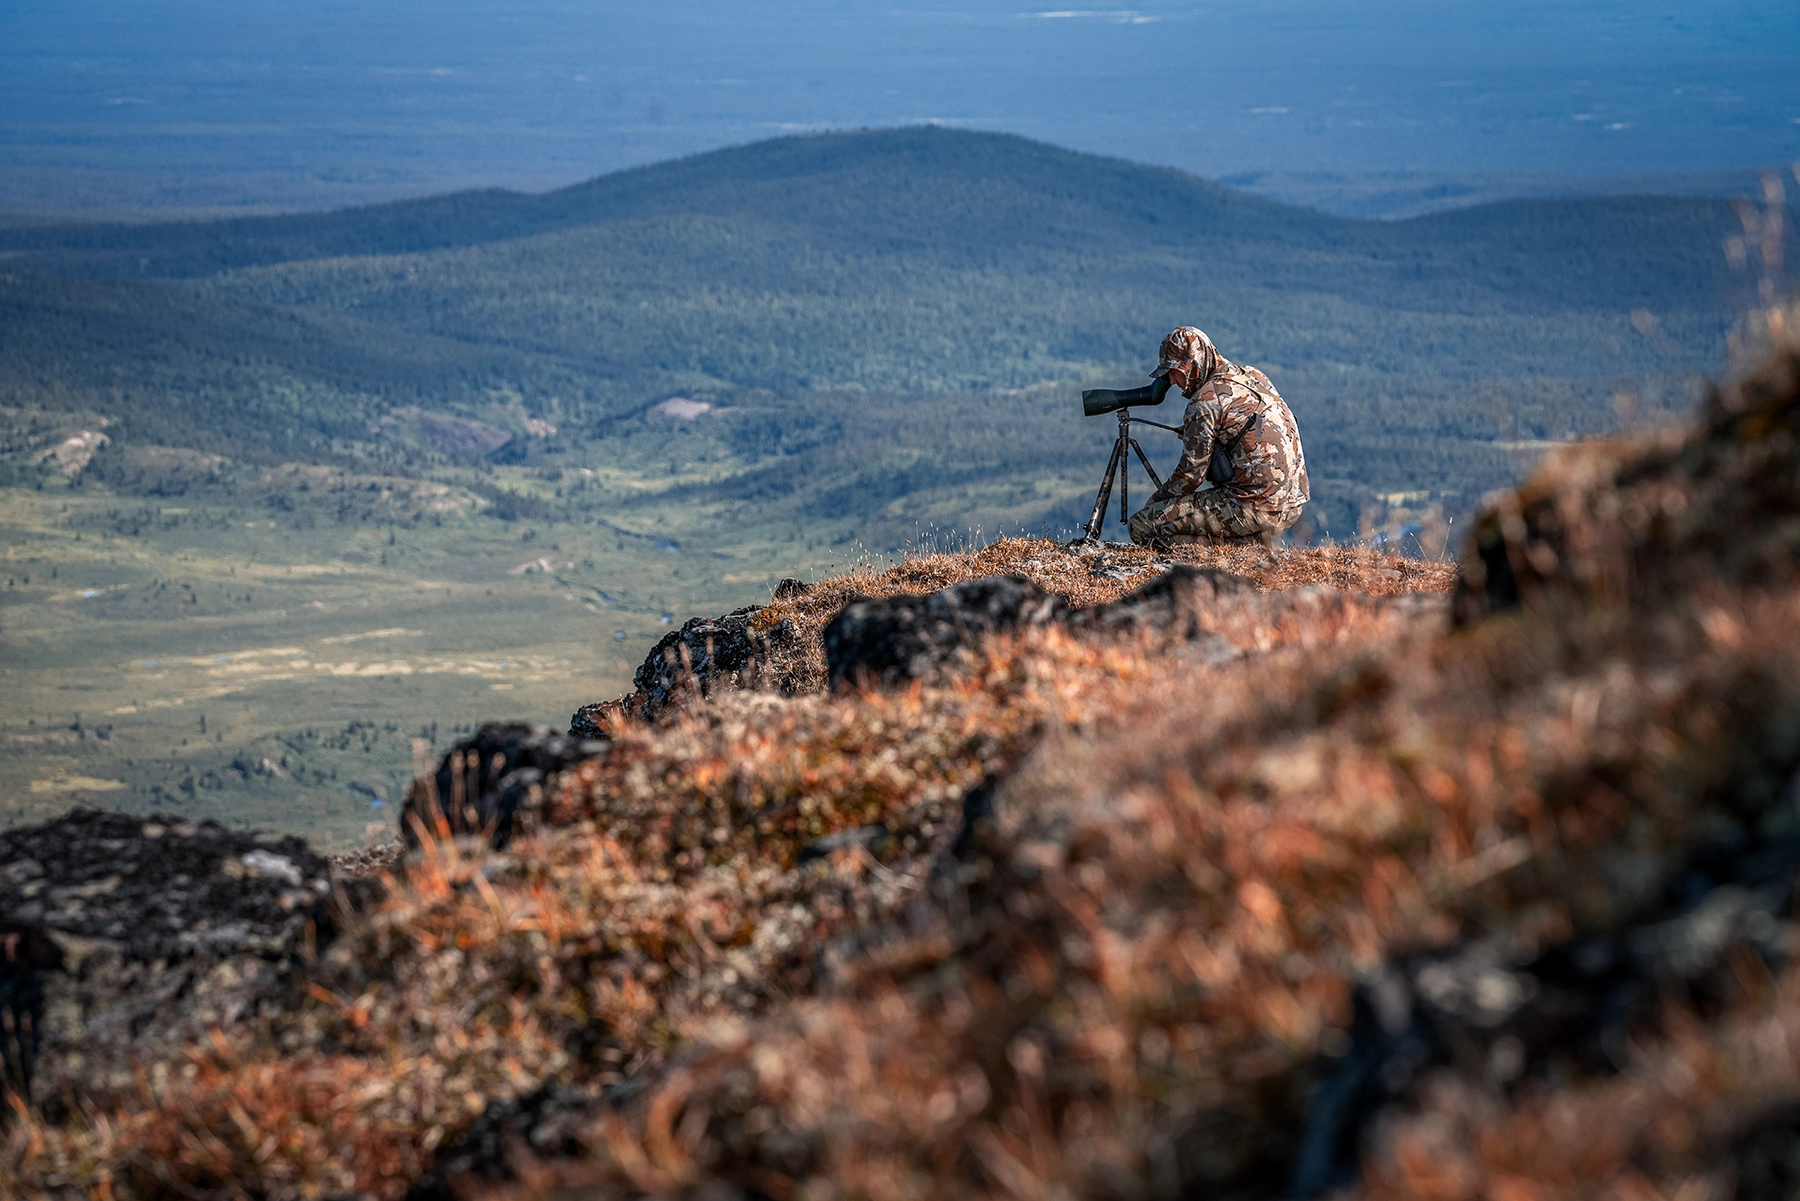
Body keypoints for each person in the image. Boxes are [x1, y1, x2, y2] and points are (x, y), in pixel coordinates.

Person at [1127, 326, 1310, 546]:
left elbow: (1190, 476)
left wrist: (1156, 499)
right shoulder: (1254, 375)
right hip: (1293, 505)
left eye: (1175, 371)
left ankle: (1241, 546)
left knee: (1141, 526)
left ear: (1193, 364)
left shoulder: (1204, 403)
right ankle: (1249, 538)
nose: (1172, 381)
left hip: (1253, 509)